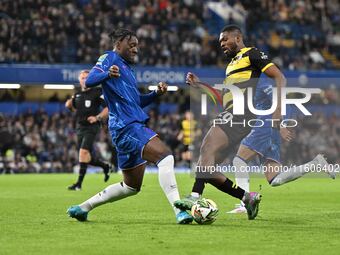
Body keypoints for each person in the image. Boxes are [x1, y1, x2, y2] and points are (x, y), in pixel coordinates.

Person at [67, 28, 193, 224]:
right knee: (165, 157)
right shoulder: (109, 57)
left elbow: (136, 102)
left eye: (137, 46)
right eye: (131, 45)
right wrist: (107, 74)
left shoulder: (128, 70)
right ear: (118, 45)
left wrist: (155, 94)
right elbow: (91, 80)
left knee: (131, 186)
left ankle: (83, 208)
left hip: (125, 128)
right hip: (127, 127)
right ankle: (179, 211)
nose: (136, 49)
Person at [174, 24, 287, 220]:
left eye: (225, 39)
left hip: (241, 112)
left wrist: (278, 110)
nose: (222, 44)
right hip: (233, 111)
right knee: (207, 170)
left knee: (206, 146)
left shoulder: (251, 54)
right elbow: (222, 97)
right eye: (220, 42)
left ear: (237, 38)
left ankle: (194, 197)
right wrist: (200, 85)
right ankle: (247, 198)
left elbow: (279, 77)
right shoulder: (231, 66)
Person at [228, 81, 336, 213]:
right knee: (275, 179)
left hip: (265, 127)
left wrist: (282, 125)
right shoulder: (251, 85)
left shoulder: (259, 82)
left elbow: (276, 102)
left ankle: (245, 204)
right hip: (270, 128)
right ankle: (315, 164)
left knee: (239, 160)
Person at [66, 70, 111, 191]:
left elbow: (108, 108)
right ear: (79, 80)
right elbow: (70, 106)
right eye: (82, 78)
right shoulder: (77, 94)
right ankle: (105, 166)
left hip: (92, 127)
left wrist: (97, 117)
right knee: (86, 157)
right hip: (80, 127)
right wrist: (70, 104)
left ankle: (78, 184)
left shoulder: (97, 92)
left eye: (86, 77)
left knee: (83, 153)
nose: (84, 80)